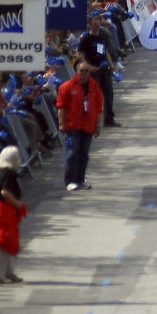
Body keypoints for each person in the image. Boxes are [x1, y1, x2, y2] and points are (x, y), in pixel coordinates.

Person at [56, 62, 103, 192]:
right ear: (77, 71)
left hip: (88, 126)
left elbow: (99, 106)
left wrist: (98, 125)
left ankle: (80, 179)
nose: (83, 73)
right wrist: (61, 123)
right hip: (73, 126)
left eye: (86, 71)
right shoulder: (67, 86)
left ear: (89, 73)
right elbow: (61, 107)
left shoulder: (94, 86)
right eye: (81, 71)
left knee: (83, 154)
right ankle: (70, 180)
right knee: (72, 153)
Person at [0, 146, 26, 284]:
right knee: (4, 243)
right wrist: (17, 204)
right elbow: (5, 192)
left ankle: (9, 272)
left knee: (7, 242)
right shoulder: (9, 175)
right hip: (5, 212)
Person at [78, 12, 118, 127]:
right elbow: (80, 55)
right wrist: (88, 67)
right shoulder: (85, 39)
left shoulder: (101, 36)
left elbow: (105, 51)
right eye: (94, 24)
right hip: (92, 70)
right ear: (89, 25)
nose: (96, 26)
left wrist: (111, 65)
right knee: (93, 95)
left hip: (104, 68)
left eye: (98, 23)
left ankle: (109, 119)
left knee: (109, 93)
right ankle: (90, 120)